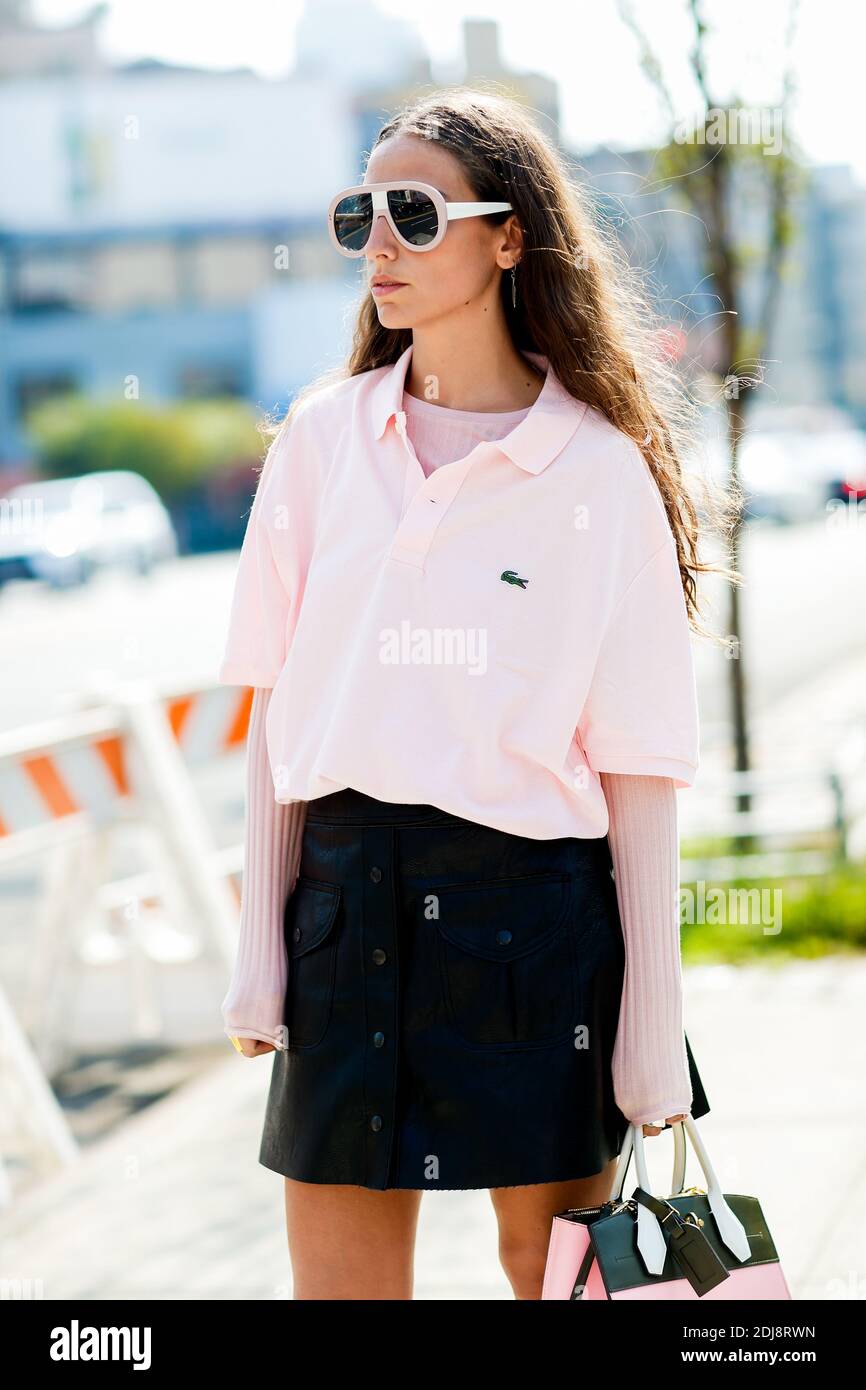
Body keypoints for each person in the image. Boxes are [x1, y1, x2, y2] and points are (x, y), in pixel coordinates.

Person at [217, 88, 737, 1300]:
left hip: (534, 925)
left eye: (414, 210)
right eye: (362, 214)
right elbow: (274, 708)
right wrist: (260, 948)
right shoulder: (317, 439)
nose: (379, 244)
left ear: (510, 236)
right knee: (340, 1292)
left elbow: (638, 759)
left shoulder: (598, 472)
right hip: (343, 915)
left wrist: (650, 1020)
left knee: (556, 1281)